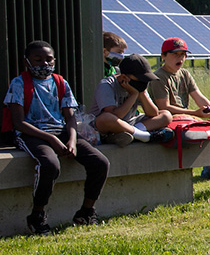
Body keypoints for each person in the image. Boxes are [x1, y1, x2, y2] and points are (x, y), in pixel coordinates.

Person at [3, 40, 110, 234]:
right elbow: (19, 123)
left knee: (100, 162)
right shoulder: (19, 83)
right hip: (31, 134)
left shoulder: (60, 82)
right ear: (27, 61)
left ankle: (86, 212)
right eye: (38, 59)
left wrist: (71, 140)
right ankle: (37, 216)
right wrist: (52, 140)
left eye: (48, 59)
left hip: (60, 132)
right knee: (49, 165)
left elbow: (70, 118)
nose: (44, 64)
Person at [147, 38, 210, 184]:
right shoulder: (158, 77)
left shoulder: (184, 74)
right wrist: (195, 113)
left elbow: (199, 97)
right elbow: (164, 107)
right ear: (163, 56)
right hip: (167, 122)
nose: (180, 58)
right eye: (175, 54)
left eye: (183, 55)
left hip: (188, 119)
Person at [91, 54, 174, 147]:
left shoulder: (139, 87)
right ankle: (145, 136)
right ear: (123, 77)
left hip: (131, 122)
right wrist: (133, 95)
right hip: (108, 126)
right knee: (106, 118)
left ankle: (131, 133)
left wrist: (142, 94)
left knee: (166, 115)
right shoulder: (106, 85)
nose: (142, 83)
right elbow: (115, 115)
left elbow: (153, 113)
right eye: (139, 79)